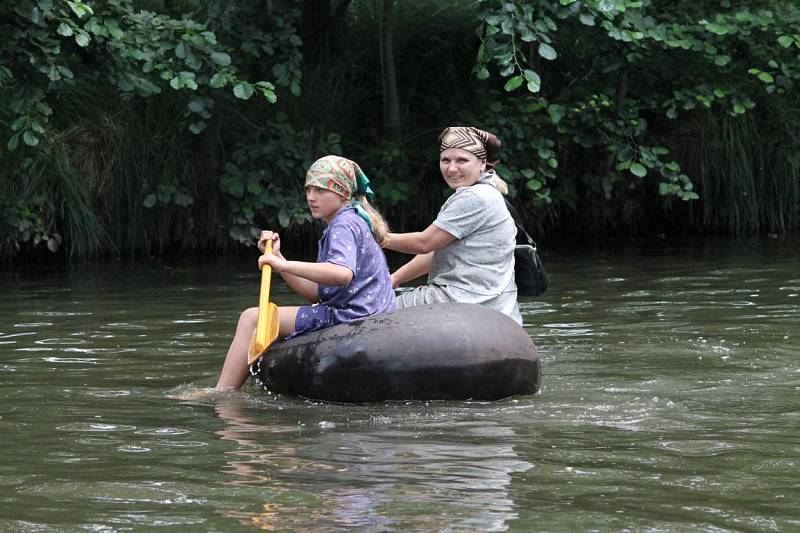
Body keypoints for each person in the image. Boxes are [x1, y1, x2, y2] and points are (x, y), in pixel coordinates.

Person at [214, 155, 396, 390]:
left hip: (354, 316)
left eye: (320, 190)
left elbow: (341, 274)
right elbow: (316, 294)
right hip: (356, 311)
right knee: (262, 316)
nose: (311, 197)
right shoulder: (348, 220)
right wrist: (279, 258)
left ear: (341, 193)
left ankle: (222, 393)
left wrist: (284, 266)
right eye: (309, 189)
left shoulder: (343, 224)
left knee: (252, 318)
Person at [381, 126, 522, 325]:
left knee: (372, 312)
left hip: (461, 304)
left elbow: (424, 243)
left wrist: (373, 236)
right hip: (499, 311)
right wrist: (396, 278)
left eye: (462, 160)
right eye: (445, 160)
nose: (452, 168)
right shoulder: (488, 192)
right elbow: (437, 250)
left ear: (482, 163)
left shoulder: (474, 196)